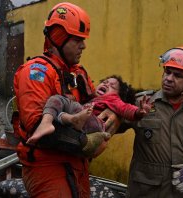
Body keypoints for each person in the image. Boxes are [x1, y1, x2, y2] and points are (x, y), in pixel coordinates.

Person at [14, 3, 120, 197]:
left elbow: (96, 109)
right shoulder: (36, 72)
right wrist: (85, 142)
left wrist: (115, 114)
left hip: (77, 165)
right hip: (47, 167)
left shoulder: (77, 74)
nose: (84, 45)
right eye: (77, 39)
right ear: (59, 38)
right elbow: (37, 128)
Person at [120, 47, 183, 197]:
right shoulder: (142, 103)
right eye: (167, 72)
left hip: (182, 193)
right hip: (145, 193)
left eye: (177, 75)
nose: (169, 78)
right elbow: (109, 126)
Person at [26, 75, 152, 156]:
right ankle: (71, 120)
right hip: (83, 128)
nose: (106, 84)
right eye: (105, 82)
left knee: (59, 101)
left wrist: (138, 112)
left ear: (119, 95)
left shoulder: (113, 100)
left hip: (95, 125)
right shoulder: (92, 100)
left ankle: (52, 122)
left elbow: (125, 109)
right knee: (61, 110)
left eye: (112, 86)